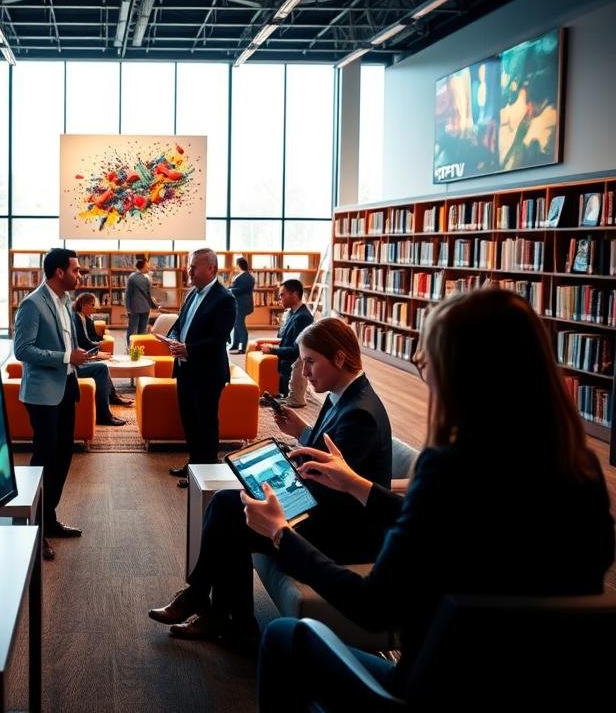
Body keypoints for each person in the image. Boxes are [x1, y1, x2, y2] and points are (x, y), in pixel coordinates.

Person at [246, 290, 614, 710]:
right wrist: (356, 484)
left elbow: (373, 607)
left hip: (430, 690)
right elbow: (468, 527)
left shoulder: (450, 469)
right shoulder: (580, 468)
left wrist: (280, 534)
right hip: (541, 686)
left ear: (457, 373)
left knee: (281, 637)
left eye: (429, 362)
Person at [149, 317, 392, 642]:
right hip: (324, 503)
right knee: (231, 505)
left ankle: (211, 606)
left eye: (310, 363)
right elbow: (329, 456)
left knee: (231, 508)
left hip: (342, 530)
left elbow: (330, 486)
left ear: (338, 358)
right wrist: (301, 432)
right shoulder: (344, 395)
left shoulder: (359, 413)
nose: (304, 373)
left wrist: (278, 483)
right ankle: (226, 618)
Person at [13, 248, 91, 561]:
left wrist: (80, 354)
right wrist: (64, 357)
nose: (79, 275)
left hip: (66, 388)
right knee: (45, 459)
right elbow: (23, 350)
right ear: (59, 272)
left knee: (63, 457)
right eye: (75, 270)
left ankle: (49, 518)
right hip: (43, 395)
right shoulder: (33, 303)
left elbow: (67, 343)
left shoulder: (65, 303)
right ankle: (34, 525)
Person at [162, 248, 236, 487]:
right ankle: (193, 464)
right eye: (189, 266)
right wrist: (173, 338)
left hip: (207, 373)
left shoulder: (225, 299)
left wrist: (189, 349)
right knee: (190, 422)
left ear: (211, 269)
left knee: (205, 424)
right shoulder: (192, 294)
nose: (188, 271)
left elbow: (219, 338)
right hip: (185, 370)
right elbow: (180, 323)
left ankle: (203, 474)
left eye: (193, 267)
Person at [258, 279, 313, 407]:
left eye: (282, 294)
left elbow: (297, 351)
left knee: (287, 402)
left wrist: (272, 350)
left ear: (294, 294)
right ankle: (279, 396)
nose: (279, 298)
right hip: (284, 365)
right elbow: (282, 338)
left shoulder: (303, 317)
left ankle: (284, 397)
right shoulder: (291, 313)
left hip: (293, 367)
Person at [73, 292, 132, 408]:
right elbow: (84, 342)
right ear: (83, 305)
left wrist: (99, 342)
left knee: (105, 362)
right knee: (102, 365)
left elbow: (91, 337)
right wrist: (98, 347)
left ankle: (113, 396)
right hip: (82, 353)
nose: (94, 308)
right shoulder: (76, 319)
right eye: (92, 305)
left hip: (86, 351)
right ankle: (112, 397)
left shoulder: (85, 318)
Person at [124, 258, 158, 349]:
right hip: (146, 308)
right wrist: (155, 306)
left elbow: (128, 294)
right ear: (142, 267)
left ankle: (129, 347)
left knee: (131, 329)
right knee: (142, 330)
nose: (148, 268)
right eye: (147, 266)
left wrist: (128, 308)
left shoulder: (132, 277)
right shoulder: (147, 279)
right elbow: (149, 295)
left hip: (134, 308)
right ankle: (140, 348)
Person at [229, 257, 255, 354]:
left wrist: (230, 290)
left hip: (242, 304)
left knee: (240, 325)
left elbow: (243, 289)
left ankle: (243, 347)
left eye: (236, 264)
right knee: (236, 324)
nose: (235, 266)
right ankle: (235, 344)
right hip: (239, 303)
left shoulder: (246, 276)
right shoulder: (243, 275)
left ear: (239, 265)